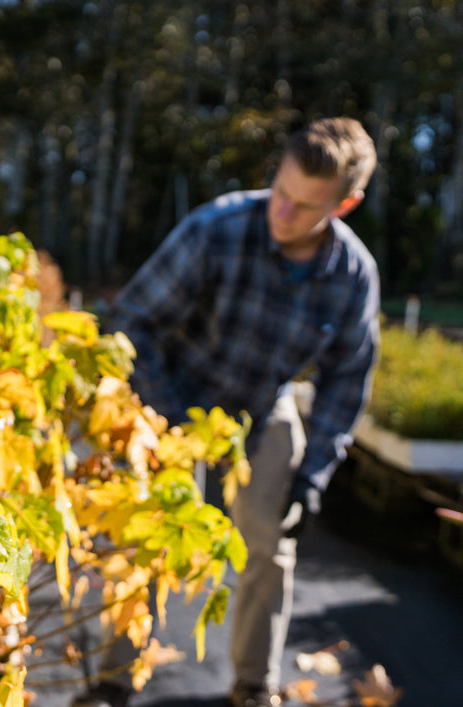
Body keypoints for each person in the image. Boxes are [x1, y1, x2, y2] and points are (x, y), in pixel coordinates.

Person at [73, 117, 380, 707]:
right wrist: (175, 421)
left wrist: (315, 472)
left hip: (262, 410)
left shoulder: (352, 276)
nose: (283, 214)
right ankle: (112, 679)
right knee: (149, 535)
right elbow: (133, 323)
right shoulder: (217, 228)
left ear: (345, 205)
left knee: (273, 540)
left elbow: (347, 379)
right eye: (281, 193)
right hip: (171, 397)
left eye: (305, 207)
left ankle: (254, 686)